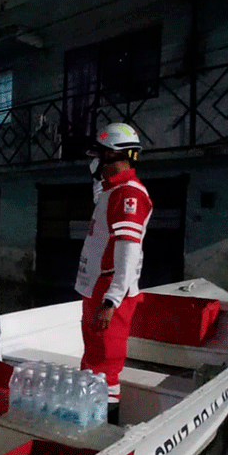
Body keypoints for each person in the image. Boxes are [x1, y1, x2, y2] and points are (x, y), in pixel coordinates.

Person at [74, 123, 153, 425]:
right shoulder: (114, 191)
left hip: (109, 290)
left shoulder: (129, 194)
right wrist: (97, 179)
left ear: (112, 154)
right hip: (98, 287)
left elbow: (128, 251)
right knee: (93, 361)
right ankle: (88, 420)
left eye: (100, 153)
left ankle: (105, 430)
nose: (96, 160)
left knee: (105, 365)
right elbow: (102, 203)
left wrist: (112, 301)